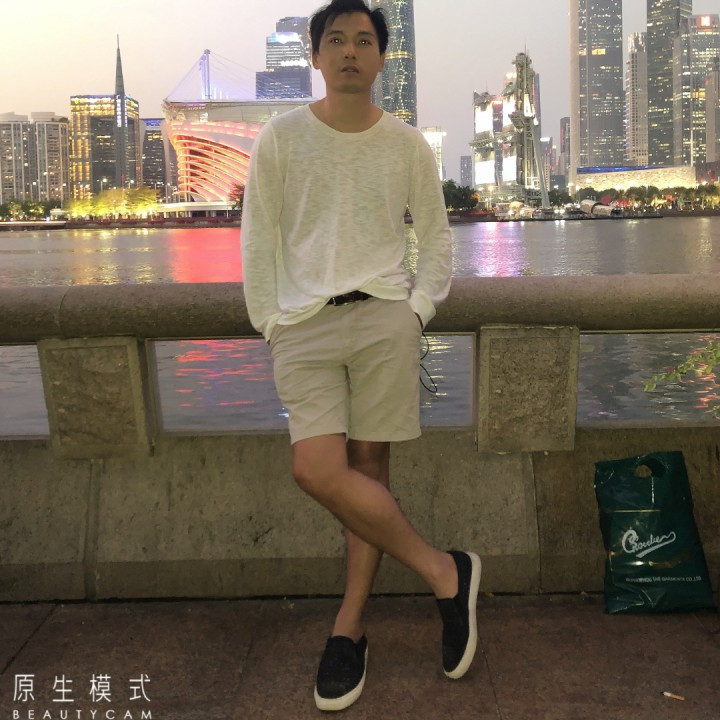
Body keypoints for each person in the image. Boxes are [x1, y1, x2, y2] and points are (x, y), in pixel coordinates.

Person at [241, 0, 480, 711]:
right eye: (337, 40)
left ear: (381, 57)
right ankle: (446, 573)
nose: (351, 51)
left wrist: (417, 310)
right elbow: (258, 237)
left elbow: (435, 236)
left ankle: (348, 630)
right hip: (304, 324)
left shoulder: (405, 143)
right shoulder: (281, 137)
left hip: (383, 320)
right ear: (315, 56)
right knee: (317, 468)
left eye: (365, 40)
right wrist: (271, 322)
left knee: (370, 472)